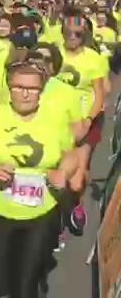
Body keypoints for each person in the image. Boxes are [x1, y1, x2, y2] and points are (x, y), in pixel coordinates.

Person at [0, 56, 77, 298]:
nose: (26, 94)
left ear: (41, 90)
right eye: (19, 87)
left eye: (33, 88)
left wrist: (63, 172)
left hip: (40, 210)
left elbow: (70, 155)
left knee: (28, 278)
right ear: (9, 88)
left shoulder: (55, 119)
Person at [57, 13, 107, 235]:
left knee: (76, 180)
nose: (73, 37)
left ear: (84, 35)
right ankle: (55, 217)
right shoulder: (55, 53)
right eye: (69, 33)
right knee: (57, 169)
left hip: (86, 120)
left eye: (78, 34)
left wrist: (88, 120)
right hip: (58, 120)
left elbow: (99, 95)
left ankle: (75, 203)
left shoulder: (93, 58)